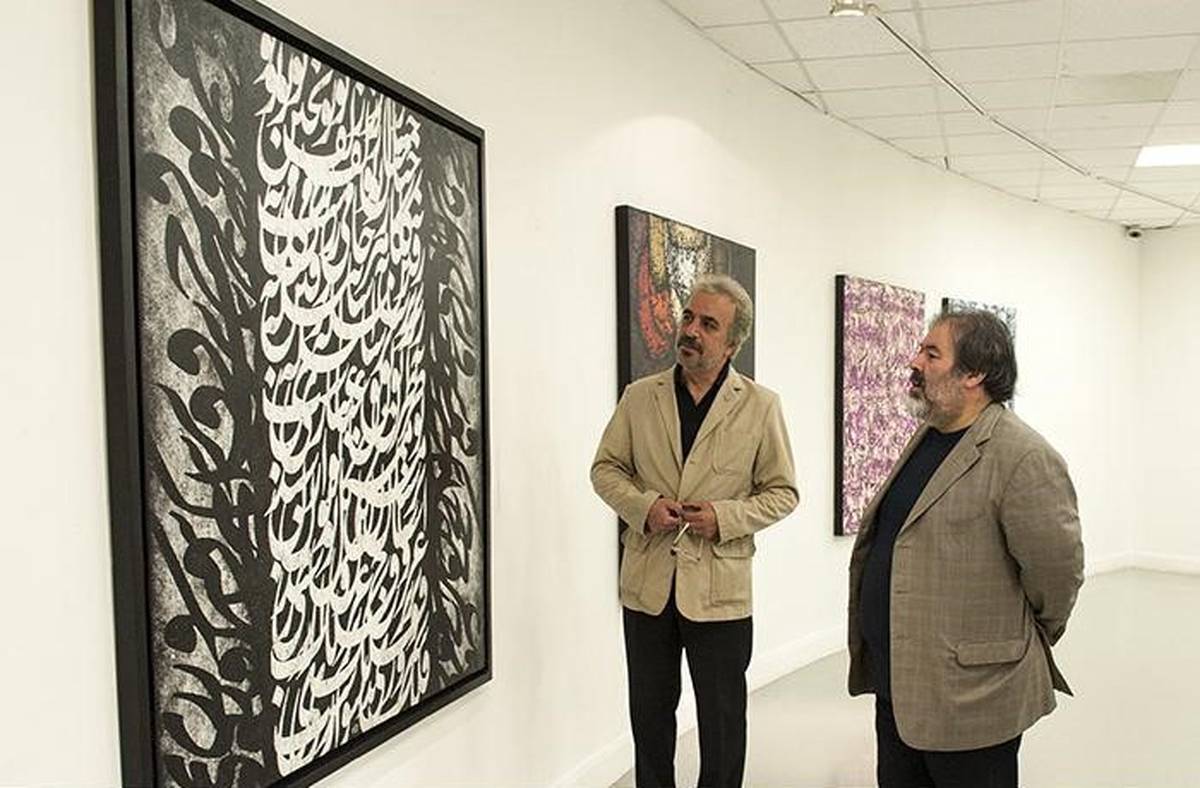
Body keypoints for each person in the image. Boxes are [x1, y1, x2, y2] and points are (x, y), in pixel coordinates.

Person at [847, 309, 1085, 788]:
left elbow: (1058, 574)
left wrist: (1015, 641)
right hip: (901, 688)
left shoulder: (1023, 457)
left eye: (932, 353)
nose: (915, 361)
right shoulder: (930, 435)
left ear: (974, 374)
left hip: (973, 699)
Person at [592, 273, 798, 788]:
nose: (691, 330)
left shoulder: (760, 406)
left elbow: (783, 492)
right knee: (649, 717)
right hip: (648, 587)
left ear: (732, 344)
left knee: (722, 723)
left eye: (709, 324)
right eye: (688, 317)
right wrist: (644, 507)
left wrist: (723, 518)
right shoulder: (640, 397)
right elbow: (605, 469)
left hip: (719, 591)